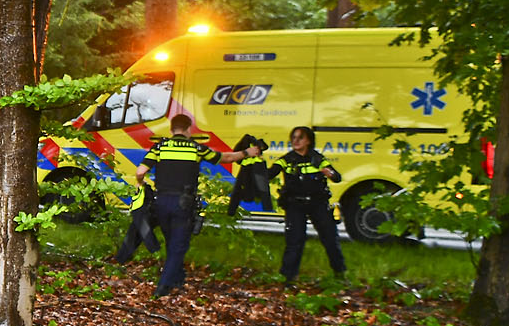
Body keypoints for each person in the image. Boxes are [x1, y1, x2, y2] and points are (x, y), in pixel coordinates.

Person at [135, 115, 259, 298]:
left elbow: (140, 171)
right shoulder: (196, 148)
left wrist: (141, 184)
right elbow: (225, 158)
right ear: (188, 129)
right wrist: (247, 153)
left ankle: (177, 279)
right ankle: (163, 287)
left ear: (171, 129)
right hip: (183, 202)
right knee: (178, 245)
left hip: (161, 201)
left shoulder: (159, 147)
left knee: (172, 241)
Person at [276, 125, 346, 283]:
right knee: (295, 241)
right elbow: (270, 172)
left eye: (300, 138)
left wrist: (330, 173)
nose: (295, 141)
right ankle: (288, 278)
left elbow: (337, 177)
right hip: (295, 204)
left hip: (318, 203)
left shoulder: (317, 159)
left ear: (308, 141)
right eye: (293, 137)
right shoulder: (287, 160)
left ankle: (340, 274)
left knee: (330, 238)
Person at [113, 177, 160, 264]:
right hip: (156, 201)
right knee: (135, 230)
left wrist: (141, 181)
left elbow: (140, 173)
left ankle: (156, 251)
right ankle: (121, 258)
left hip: (148, 205)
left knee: (140, 227)